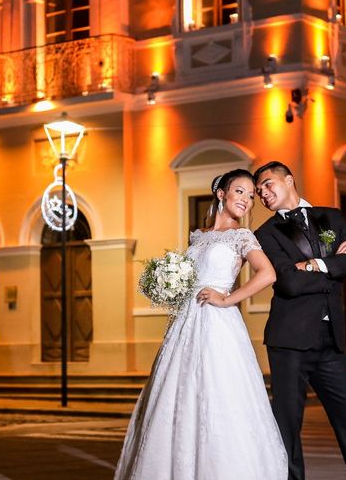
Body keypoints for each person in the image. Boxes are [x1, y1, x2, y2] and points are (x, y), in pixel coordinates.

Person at [114, 169, 287, 479]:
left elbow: (268, 274)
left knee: (218, 393)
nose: (247, 200)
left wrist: (227, 299)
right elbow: (188, 277)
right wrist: (167, 285)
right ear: (221, 193)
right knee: (177, 394)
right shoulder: (198, 235)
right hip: (185, 322)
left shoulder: (242, 236)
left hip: (218, 325)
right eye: (240, 192)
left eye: (251, 195)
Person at [253, 161, 346, 480]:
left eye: (268, 185)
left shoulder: (331, 217)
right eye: (258, 191)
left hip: (331, 341)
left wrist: (314, 265)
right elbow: (289, 283)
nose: (263, 194)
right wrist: (335, 264)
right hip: (289, 341)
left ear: (289, 179)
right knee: (288, 426)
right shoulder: (264, 234)